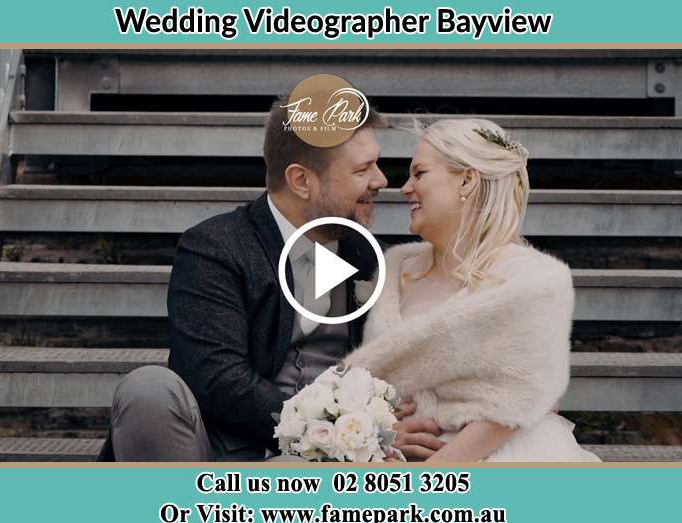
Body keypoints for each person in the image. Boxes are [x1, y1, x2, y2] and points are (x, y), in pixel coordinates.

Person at [97, 94, 442, 461]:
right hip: (224, 455)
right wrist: (340, 427)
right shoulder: (216, 247)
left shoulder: (369, 256)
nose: (382, 180)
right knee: (147, 389)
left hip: (330, 469)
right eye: (362, 169)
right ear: (300, 181)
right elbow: (216, 379)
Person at [345, 118, 601, 462]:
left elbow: (519, 399)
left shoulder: (531, 279)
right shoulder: (394, 270)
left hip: (500, 456)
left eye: (419, 174)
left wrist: (434, 476)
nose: (405, 188)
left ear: (466, 179)